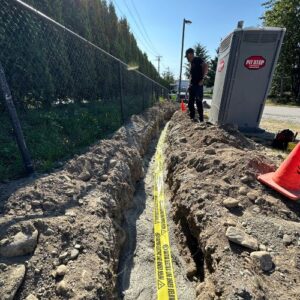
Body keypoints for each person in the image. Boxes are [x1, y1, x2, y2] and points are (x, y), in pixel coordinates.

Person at [185, 48, 208, 122]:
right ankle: (192, 118)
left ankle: (201, 119)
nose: (187, 58)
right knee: (190, 103)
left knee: (198, 102)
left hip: (198, 85)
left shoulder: (198, 60)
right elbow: (191, 75)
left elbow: (206, 66)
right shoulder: (191, 63)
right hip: (192, 85)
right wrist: (189, 85)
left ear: (191, 54)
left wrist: (203, 79)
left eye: (188, 56)